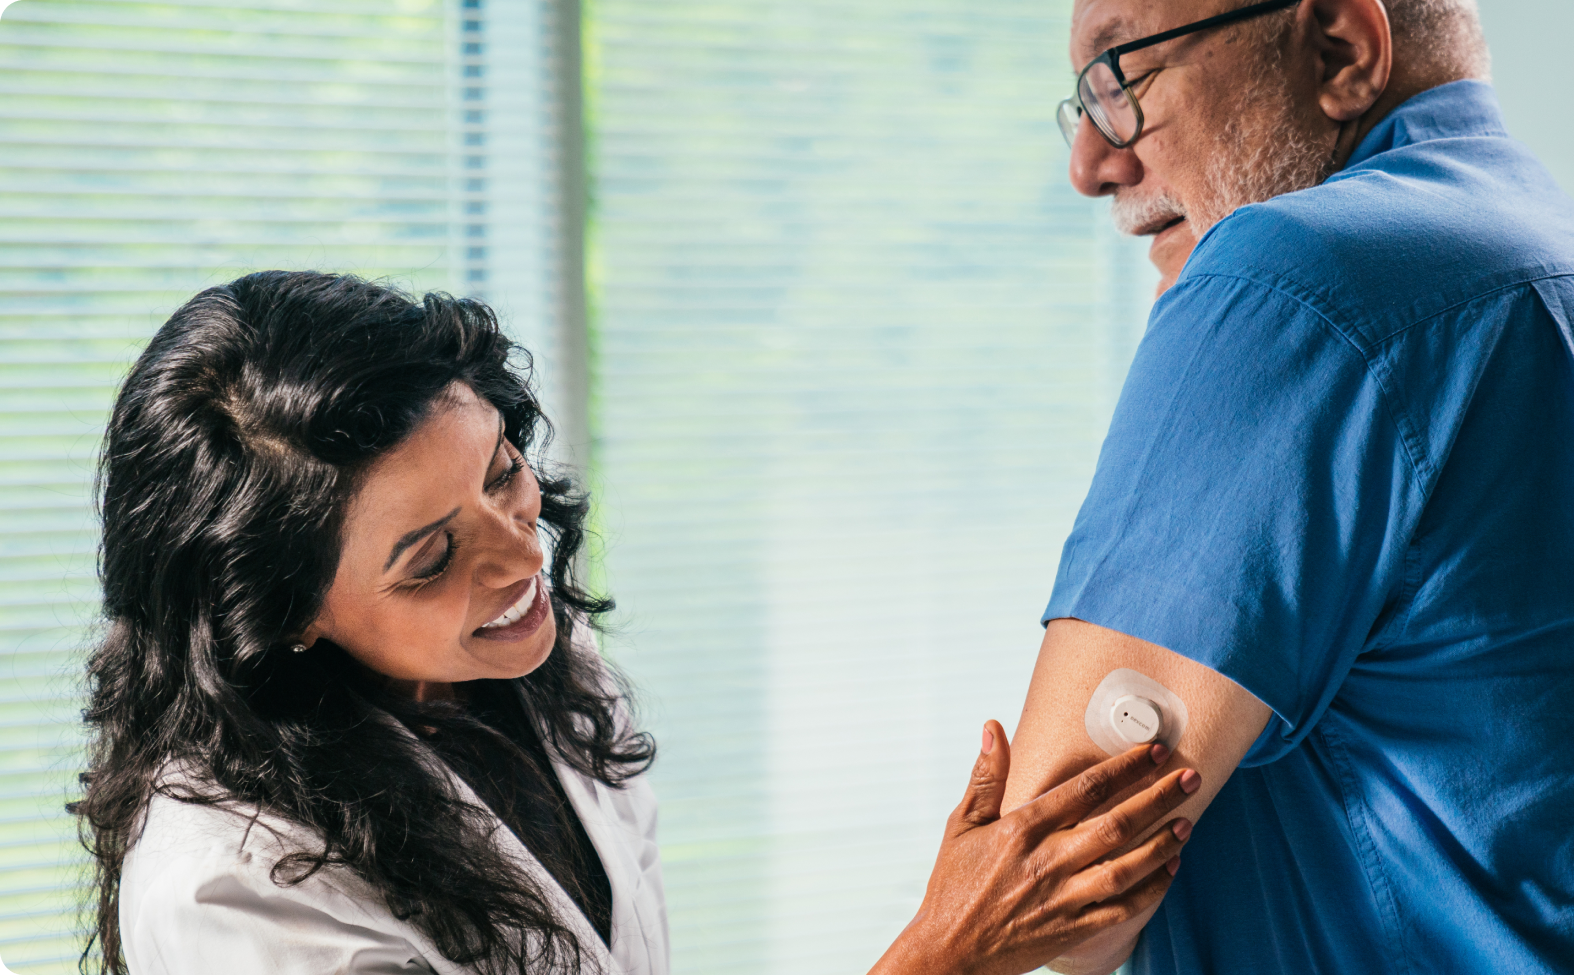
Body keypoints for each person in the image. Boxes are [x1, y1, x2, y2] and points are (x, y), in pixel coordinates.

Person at [74, 270, 1203, 975]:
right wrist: (946, 954)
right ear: (281, 620)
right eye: (431, 558)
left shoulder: (546, 677)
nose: (523, 555)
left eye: (504, 474)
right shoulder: (230, 892)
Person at [1004, 0, 1574, 972]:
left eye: (1125, 78)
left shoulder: (1289, 277)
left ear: (1342, 50)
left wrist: (1217, 331)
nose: (1091, 163)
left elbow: (1058, 900)